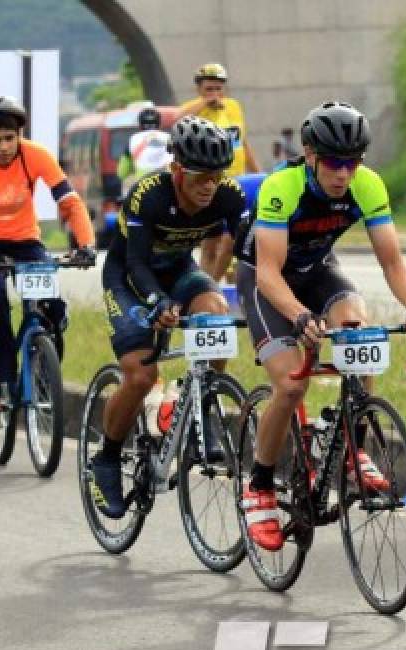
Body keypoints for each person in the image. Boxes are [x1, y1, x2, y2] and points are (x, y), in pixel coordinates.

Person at [234, 101, 406, 551]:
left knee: (359, 329)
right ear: (310, 155)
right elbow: (268, 273)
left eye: (353, 162)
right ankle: (261, 486)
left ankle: (353, 447)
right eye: (333, 162)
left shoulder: (367, 185)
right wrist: (300, 316)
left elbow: (392, 261)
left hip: (317, 269)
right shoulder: (282, 186)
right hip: (266, 279)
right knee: (291, 387)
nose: (343, 173)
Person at [88, 117, 247, 519]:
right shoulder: (149, 195)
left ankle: (202, 403)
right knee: (141, 375)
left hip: (178, 270)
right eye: (200, 176)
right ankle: (106, 458)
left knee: (216, 316)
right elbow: (137, 263)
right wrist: (159, 303)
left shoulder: (227, 196)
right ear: (177, 170)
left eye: (217, 175)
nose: (209, 185)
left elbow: (249, 250)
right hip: (128, 277)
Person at [0, 97, 96, 411]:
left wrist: (86, 245)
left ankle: (44, 369)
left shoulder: (36, 155)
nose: (3, 146)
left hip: (25, 241)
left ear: (20, 135)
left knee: (50, 303)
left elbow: (70, 203)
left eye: (9, 138)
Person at [180, 63, 259, 286]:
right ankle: (204, 289)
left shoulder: (233, 107)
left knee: (235, 241)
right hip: (211, 183)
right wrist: (204, 103)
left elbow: (242, 142)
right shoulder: (194, 109)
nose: (215, 94)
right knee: (211, 244)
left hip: (238, 183)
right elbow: (178, 120)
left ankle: (235, 293)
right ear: (199, 89)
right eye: (209, 89)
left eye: (218, 89)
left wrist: (257, 171)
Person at [117, 106, 172, 196]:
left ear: (140, 125)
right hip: (168, 184)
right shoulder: (169, 137)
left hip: (144, 188)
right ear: (159, 124)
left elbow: (122, 172)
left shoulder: (133, 140)